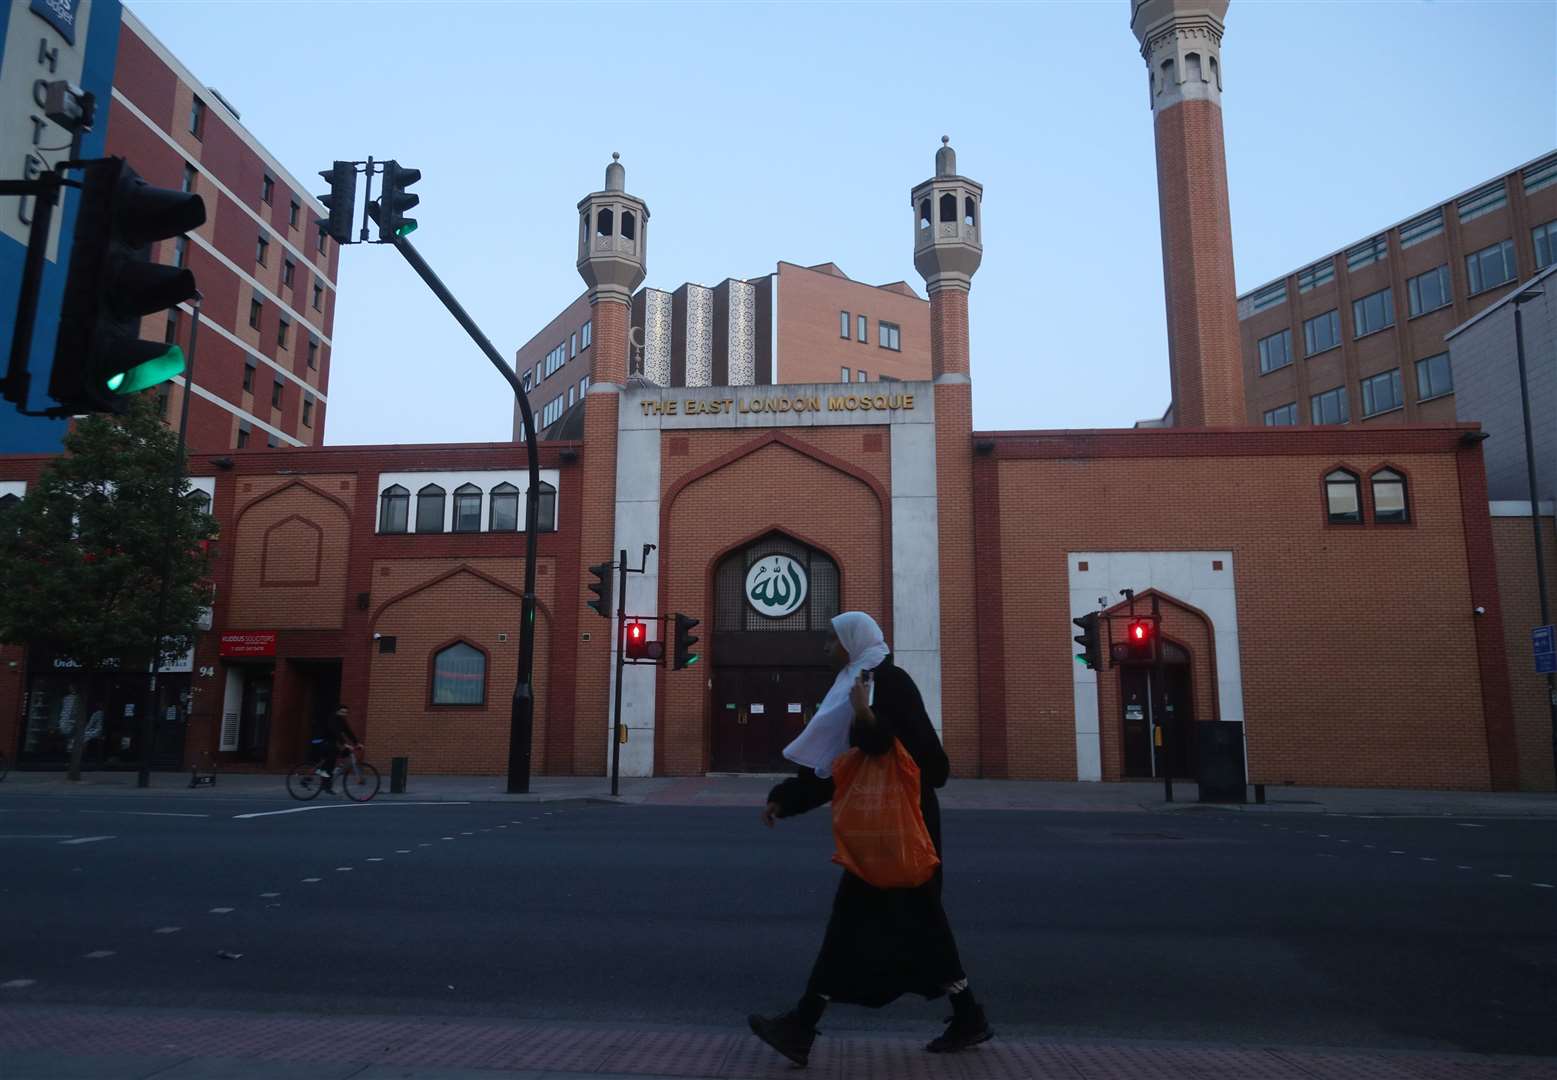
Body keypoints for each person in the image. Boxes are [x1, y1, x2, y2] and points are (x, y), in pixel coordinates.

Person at [749, 611, 992, 1067]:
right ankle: (966, 1015)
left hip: (904, 824)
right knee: (918, 923)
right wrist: (788, 798)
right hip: (875, 827)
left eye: (832, 639)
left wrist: (866, 715)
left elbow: (928, 765)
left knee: (872, 922)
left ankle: (801, 1026)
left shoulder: (890, 683)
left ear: (853, 642)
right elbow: (840, 765)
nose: (826, 647)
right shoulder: (853, 684)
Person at [312, 705, 360, 792]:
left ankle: (329, 778)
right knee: (332, 756)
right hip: (322, 741)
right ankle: (324, 778)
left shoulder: (342, 721)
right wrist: (345, 743)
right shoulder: (332, 719)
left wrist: (357, 743)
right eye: (342, 712)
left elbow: (348, 732)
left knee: (344, 753)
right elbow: (336, 733)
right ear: (337, 711)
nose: (344, 714)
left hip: (331, 742)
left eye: (345, 712)